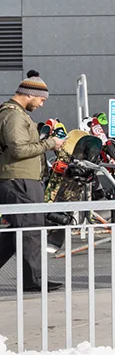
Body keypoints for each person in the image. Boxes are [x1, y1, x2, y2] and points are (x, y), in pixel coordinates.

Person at [0, 71, 65, 291]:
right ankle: (33, 281)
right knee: (30, 230)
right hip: (19, 180)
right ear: (30, 94)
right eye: (41, 99)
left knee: (16, 233)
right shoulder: (14, 115)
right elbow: (18, 149)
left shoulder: (16, 114)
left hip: (21, 179)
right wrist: (51, 144)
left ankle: (33, 279)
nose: (41, 104)